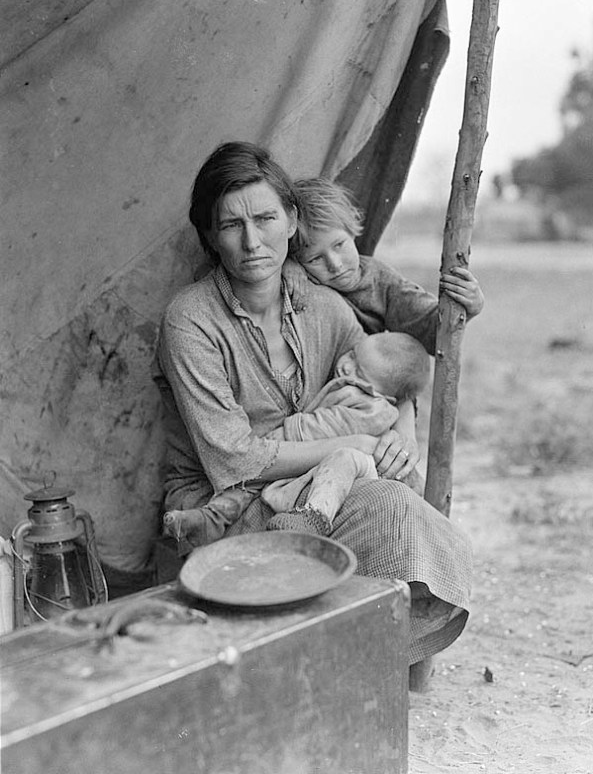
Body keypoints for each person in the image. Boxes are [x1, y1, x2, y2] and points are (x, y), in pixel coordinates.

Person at [153, 141, 472, 667]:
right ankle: (326, 660)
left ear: (291, 221)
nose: (253, 241)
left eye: (265, 218)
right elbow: (231, 460)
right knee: (387, 503)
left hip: (313, 497)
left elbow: (383, 381)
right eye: (231, 225)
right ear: (210, 236)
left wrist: (400, 434)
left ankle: (345, 662)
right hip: (223, 504)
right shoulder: (191, 321)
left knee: (399, 496)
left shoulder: (323, 305)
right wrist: (357, 443)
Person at [163, 330, 430, 545]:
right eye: (352, 354)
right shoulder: (356, 385)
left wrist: (286, 434)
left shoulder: (374, 409)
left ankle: (313, 519)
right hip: (312, 458)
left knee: (269, 479)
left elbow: (326, 426)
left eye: (359, 372)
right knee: (245, 488)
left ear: (387, 395)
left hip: (332, 463)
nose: (346, 366)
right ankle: (208, 520)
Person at [288, 176, 485, 357]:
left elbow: (430, 329)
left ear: (352, 232)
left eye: (339, 245)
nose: (335, 265)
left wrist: (467, 307)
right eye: (315, 259)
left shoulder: (381, 280)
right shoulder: (295, 277)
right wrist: (287, 267)